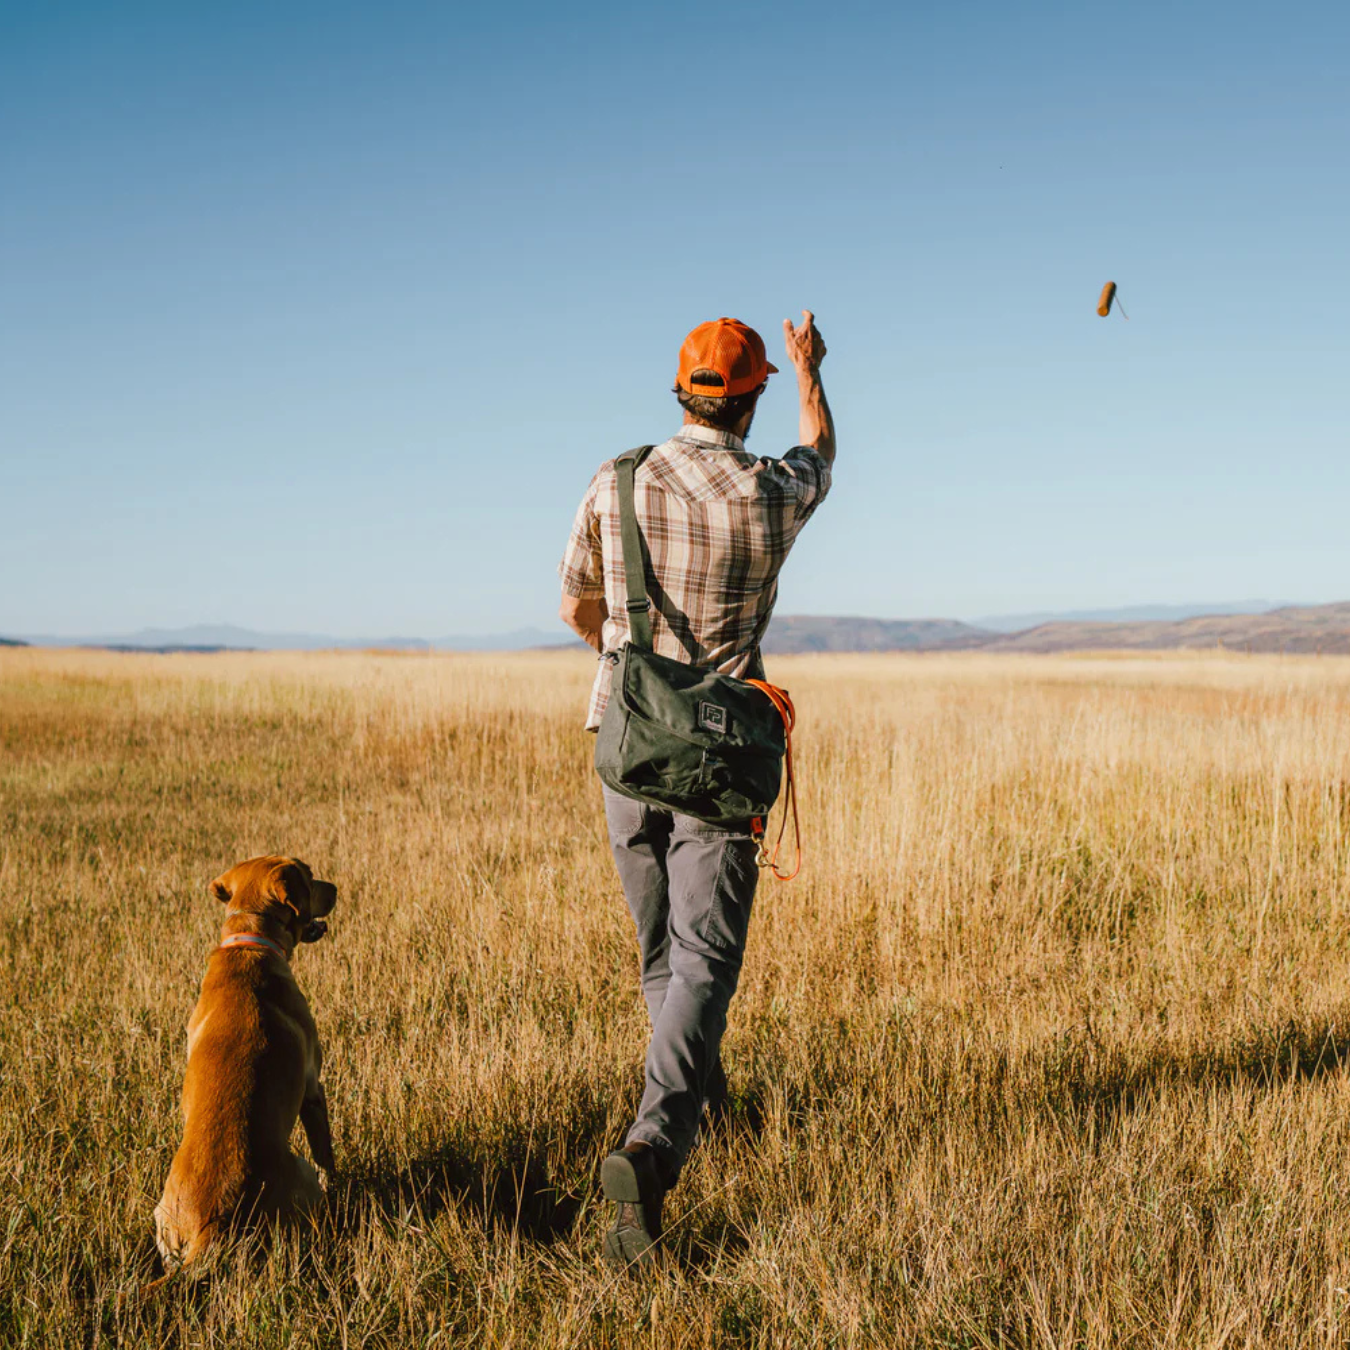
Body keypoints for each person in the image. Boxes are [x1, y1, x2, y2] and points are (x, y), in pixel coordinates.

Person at [558, 311, 835, 1268]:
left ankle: (701, 1108)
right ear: (750, 396)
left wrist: (630, 656)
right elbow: (824, 452)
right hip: (718, 749)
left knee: (660, 957)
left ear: (681, 389)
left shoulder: (619, 477)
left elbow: (574, 602)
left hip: (628, 740)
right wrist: (811, 371)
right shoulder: (772, 491)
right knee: (705, 958)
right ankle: (654, 1146)